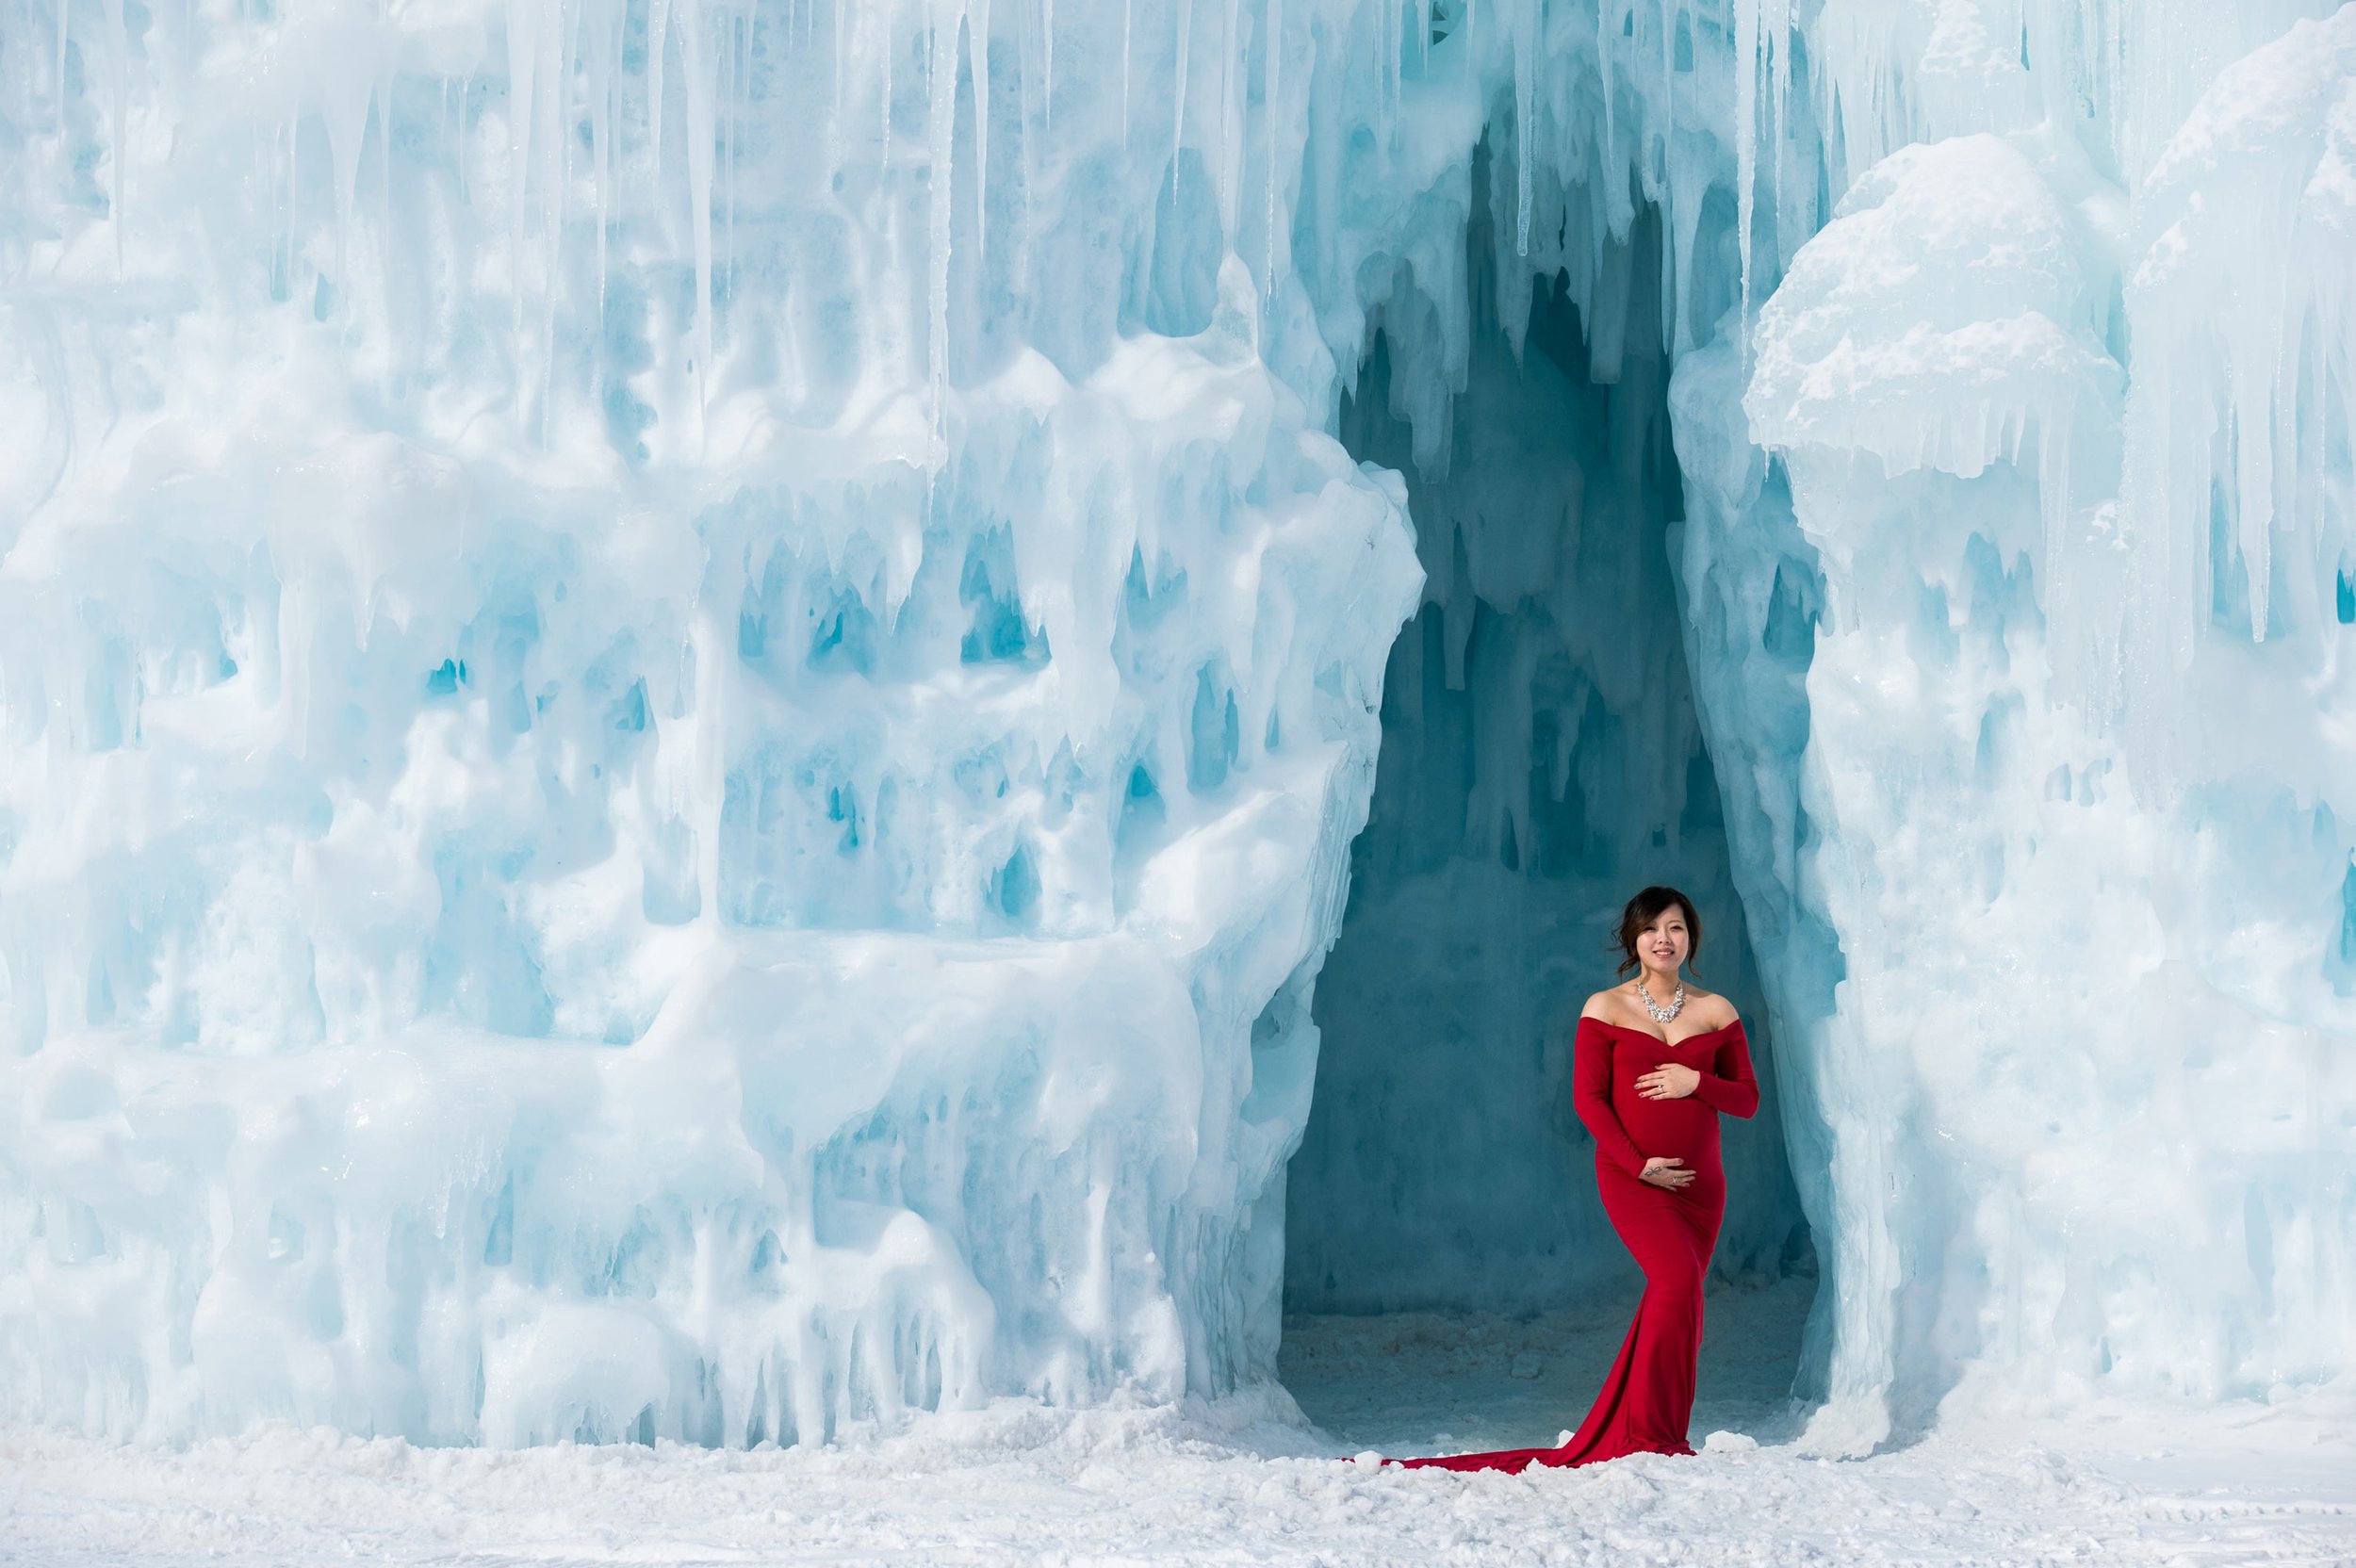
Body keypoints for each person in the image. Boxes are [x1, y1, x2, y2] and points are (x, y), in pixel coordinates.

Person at [1392, 885, 1759, 1473]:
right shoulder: (1605, 1007)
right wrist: (1639, 1164)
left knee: (1683, 1296)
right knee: (1674, 1284)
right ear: (1633, 939)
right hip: (1632, 1176)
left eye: (1676, 929)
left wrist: (1697, 1084)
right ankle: (1652, 1434)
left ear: (1691, 938)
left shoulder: (1718, 1010)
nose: (1663, 940)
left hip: (1699, 1186)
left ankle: (1652, 1426)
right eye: (1651, 929)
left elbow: (1747, 1101)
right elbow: (1589, 1101)